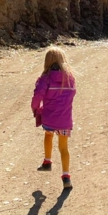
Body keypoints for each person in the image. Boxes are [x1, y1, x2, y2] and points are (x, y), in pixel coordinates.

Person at [31, 46, 76, 190]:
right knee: (64, 148)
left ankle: (47, 162)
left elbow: (38, 96)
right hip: (65, 119)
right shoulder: (70, 78)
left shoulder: (45, 78)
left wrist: (36, 108)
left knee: (48, 135)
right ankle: (66, 177)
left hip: (50, 118)